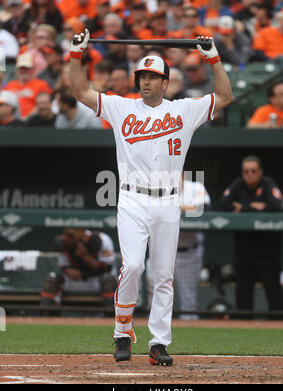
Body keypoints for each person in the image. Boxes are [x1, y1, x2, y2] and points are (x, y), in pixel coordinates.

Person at [69, 28, 233, 365]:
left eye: (153, 76)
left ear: (165, 81)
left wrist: (213, 57)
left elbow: (225, 96)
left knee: (163, 276)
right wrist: (76, 55)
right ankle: (122, 330)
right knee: (131, 266)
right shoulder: (121, 107)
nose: (146, 81)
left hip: (168, 201)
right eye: (142, 75)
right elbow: (80, 89)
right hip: (131, 198)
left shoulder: (184, 110)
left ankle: (159, 343)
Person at [220, 155, 283, 313]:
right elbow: (223, 205)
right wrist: (254, 206)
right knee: (243, 298)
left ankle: (279, 326)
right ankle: (243, 328)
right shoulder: (238, 184)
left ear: (260, 172)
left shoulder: (268, 183)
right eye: (246, 171)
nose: (249, 174)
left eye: (253, 171)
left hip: (268, 251)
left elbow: (276, 206)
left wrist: (242, 207)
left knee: (274, 295)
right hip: (244, 251)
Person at [40, 228, 117, 309]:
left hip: (96, 280)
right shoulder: (65, 243)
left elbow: (107, 267)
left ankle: (110, 316)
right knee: (51, 279)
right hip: (76, 281)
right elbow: (64, 267)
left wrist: (85, 256)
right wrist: (69, 271)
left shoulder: (102, 239)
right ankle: (47, 316)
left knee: (108, 279)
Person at [175, 173, 211, 320]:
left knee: (188, 304)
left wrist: (176, 208)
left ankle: (186, 333)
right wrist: (185, 208)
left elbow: (204, 207)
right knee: (153, 296)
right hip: (161, 251)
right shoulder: (159, 188)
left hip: (188, 251)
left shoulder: (195, 187)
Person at [5, 53, 53, 119]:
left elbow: (44, 104)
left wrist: (27, 118)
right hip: (12, 121)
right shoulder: (10, 85)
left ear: (33, 69)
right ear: (18, 70)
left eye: (27, 68)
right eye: (22, 68)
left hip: (33, 121)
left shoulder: (41, 84)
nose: (24, 71)